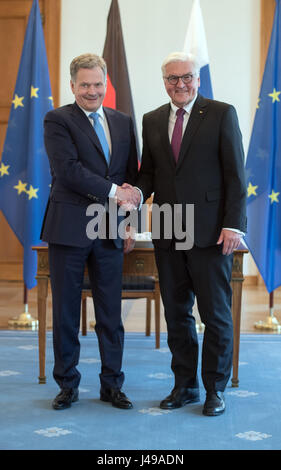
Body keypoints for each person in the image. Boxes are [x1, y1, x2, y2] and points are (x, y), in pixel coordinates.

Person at [135, 52, 247, 416]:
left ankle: (215, 389)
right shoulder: (151, 120)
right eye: (172, 78)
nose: (179, 84)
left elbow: (235, 175)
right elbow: (149, 173)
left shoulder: (220, 113)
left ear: (197, 80)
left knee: (215, 314)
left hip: (211, 232)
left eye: (186, 77)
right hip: (168, 230)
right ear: (163, 81)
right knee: (176, 314)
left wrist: (234, 224)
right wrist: (133, 193)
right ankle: (185, 386)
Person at [41, 53, 140, 410]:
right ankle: (67, 384)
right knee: (66, 313)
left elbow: (131, 176)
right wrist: (116, 193)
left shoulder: (123, 121)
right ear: (72, 86)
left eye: (98, 84)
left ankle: (112, 385)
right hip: (69, 228)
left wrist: (129, 222)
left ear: (106, 84)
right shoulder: (58, 119)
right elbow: (68, 171)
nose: (92, 91)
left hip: (110, 229)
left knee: (110, 314)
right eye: (84, 85)